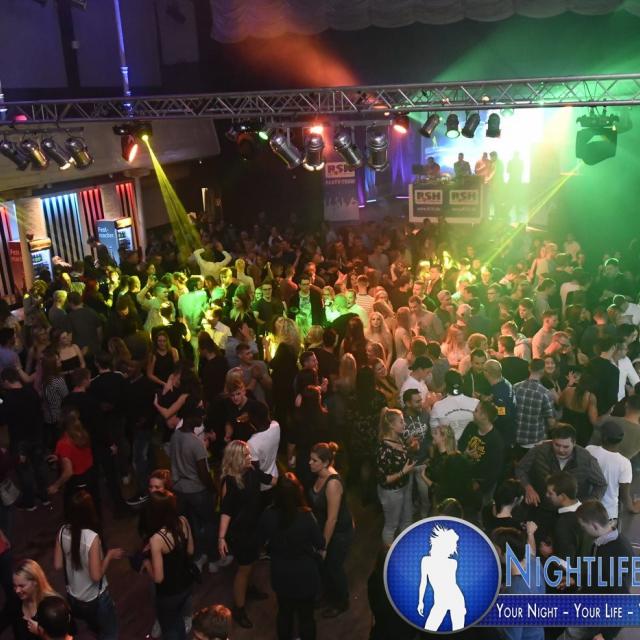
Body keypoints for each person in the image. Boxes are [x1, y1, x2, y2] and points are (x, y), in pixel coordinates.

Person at [557, 500, 634, 640]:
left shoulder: (612, 554)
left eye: (583, 526)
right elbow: (599, 576)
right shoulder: (608, 540)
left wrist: (606, 634)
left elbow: (624, 598)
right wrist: (576, 578)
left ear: (594, 525)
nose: (583, 530)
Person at [260, 473, 325, 639]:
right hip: (305, 574)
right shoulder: (306, 516)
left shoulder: (268, 515)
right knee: (306, 617)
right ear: (298, 492)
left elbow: (263, 541)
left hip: (281, 573)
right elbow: (320, 543)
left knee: (284, 613)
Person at [218, 440, 275, 628]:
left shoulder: (251, 471)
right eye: (246, 455)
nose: (250, 457)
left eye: (249, 453)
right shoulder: (229, 481)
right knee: (244, 569)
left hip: (253, 528)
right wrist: (221, 538)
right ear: (235, 458)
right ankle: (239, 609)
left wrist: (290, 482)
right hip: (240, 533)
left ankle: (248, 589)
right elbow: (226, 511)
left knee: (250, 564)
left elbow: (270, 479)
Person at [54, 490, 121, 640]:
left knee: (95, 629)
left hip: (75, 598)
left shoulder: (62, 531)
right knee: (110, 633)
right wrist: (109, 556)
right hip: (95, 599)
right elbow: (96, 576)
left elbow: (57, 565)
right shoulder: (92, 538)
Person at [515, 424, 607, 529]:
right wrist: (528, 487)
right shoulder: (539, 451)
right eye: (557, 445)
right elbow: (520, 469)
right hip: (542, 509)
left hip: (572, 515)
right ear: (552, 441)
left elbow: (601, 484)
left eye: (566, 447)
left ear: (574, 443)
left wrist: (585, 504)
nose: (561, 450)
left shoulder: (586, 459)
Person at [308, 442, 353, 619]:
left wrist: (323, 546)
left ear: (326, 463)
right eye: (310, 459)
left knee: (334, 567)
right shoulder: (319, 475)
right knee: (325, 567)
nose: (310, 463)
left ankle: (341, 602)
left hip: (339, 532)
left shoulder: (332, 483)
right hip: (326, 528)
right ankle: (328, 596)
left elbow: (332, 519)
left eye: (314, 460)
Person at [145, 489, 196, 640]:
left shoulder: (156, 539)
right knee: (179, 620)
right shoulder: (183, 521)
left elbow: (158, 578)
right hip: (186, 584)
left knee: (170, 629)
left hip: (169, 593)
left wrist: (147, 564)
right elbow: (190, 550)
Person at [170, 411, 217, 572]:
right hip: (197, 490)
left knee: (192, 526)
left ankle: (198, 557)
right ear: (190, 416)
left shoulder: (175, 435)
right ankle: (213, 559)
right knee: (209, 524)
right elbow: (203, 473)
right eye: (199, 416)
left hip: (180, 490)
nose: (201, 420)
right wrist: (213, 489)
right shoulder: (195, 442)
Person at [0, 367, 49, 510]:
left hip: (19, 440)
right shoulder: (31, 391)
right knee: (40, 467)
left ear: (6, 381)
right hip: (36, 435)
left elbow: (2, 420)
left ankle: (29, 502)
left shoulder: (8, 399)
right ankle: (45, 496)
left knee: (24, 471)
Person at [490, 527, 545, 640]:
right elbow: (532, 551)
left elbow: (512, 636)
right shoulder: (534, 562)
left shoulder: (515, 590)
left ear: (500, 551)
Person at [376, 408, 415, 545]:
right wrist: (403, 472)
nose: (404, 424)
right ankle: (389, 554)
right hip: (392, 492)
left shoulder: (399, 437)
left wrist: (411, 448)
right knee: (391, 526)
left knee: (407, 519)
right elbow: (384, 479)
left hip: (405, 485)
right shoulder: (383, 449)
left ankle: (406, 548)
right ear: (392, 425)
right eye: (401, 421)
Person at [586, 420, 640, 520]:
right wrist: (633, 508)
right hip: (608, 513)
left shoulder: (589, 450)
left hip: (586, 507)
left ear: (603, 437)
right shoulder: (624, 463)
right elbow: (624, 495)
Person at [417, 525, 465, 632]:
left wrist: (421, 602)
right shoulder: (426, 561)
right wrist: (420, 601)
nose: (454, 548)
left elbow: (451, 585)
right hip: (440, 601)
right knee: (429, 629)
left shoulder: (452, 563)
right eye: (453, 545)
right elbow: (423, 583)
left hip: (455, 599)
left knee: (458, 631)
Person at [458, 400, 505, 503]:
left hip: (482, 488)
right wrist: (465, 453)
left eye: (476, 410)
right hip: (466, 479)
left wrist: (479, 485)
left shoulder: (496, 440)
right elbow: (460, 445)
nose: (473, 412)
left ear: (484, 416)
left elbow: (494, 471)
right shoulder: (471, 426)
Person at [513, 359, 556, 452]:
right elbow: (551, 423)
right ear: (543, 370)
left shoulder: (516, 387)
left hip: (516, 438)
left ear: (529, 368)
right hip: (535, 441)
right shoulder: (545, 393)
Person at [430, 370, 478, 443]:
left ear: (445, 385)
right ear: (462, 382)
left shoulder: (438, 406)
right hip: (471, 446)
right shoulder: (476, 403)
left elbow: (434, 432)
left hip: (448, 447)